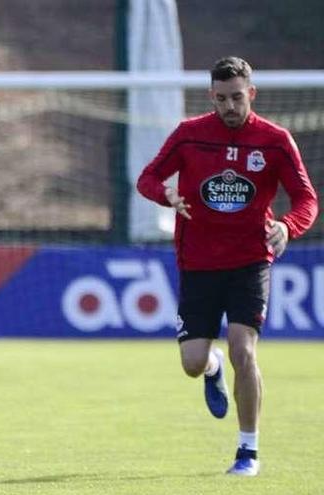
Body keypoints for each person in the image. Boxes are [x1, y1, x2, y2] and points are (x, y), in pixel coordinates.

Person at [137, 56, 318, 476]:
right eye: (222, 99)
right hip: (198, 262)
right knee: (192, 363)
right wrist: (166, 196)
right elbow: (147, 177)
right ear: (211, 97)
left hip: (250, 261)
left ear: (251, 93)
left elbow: (307, 199)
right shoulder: (189, 135)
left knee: (244, 348)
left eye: (237, 97)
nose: (230, 106)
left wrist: (289, 227)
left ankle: (247, 452)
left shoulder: (275, 141)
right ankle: (212, 367)